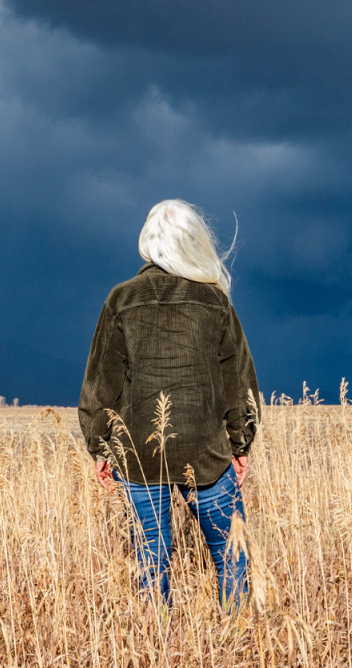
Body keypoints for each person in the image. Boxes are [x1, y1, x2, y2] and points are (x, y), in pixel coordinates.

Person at [78, 199, 262, 608]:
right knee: (234, 556)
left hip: (139, 456)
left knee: (150, 564)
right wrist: (240, 444)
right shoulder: (216, 303)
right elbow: (239, 383)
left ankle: (156, 650)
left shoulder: (120, 300)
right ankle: (236, 641)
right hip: (210, 455)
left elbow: (100, 384)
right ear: (196, 242)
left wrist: (101, 447)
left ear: (147, 243)